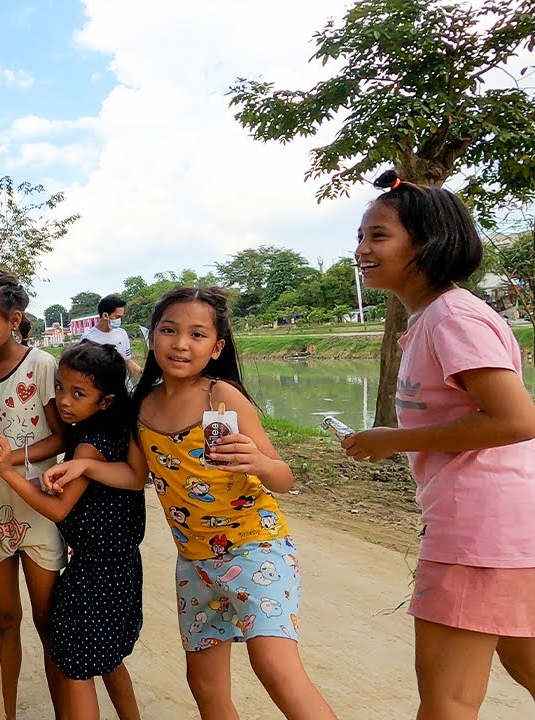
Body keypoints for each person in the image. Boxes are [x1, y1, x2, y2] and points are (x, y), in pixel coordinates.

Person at [343, 170, 535, 718]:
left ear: (429, 242)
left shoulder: (453, 316)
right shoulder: (433, 317)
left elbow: (518, 419)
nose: (362, 249)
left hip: (479, 530)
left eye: (378, 235)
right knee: (525, 665)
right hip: (501, 530)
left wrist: (392, 440)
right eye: (360, 236)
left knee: (448, 700)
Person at [134, 287, 336, 720]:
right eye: (169, 330)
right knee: (205, 686)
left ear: (217, 347)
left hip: (256, 549)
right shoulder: (143, 405)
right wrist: (81, 468)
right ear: (152, 337)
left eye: (197, 335)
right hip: (194, 563)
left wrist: (259, 461)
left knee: (276, 669)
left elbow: (283, 478)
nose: (181, 344)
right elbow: (133, 475)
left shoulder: (220, 396)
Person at [0, 342, 147, 720]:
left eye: (78, 393)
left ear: (105, 401)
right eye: (59, 388)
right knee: (108, 659)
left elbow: (58, 508)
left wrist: (8, 472)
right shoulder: (110, 429)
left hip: (92, 576)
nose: (63, 401)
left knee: (74, 667)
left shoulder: (88, 447)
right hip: (122, 568)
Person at [0, 267, 66, 719]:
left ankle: (67, 710)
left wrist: (10, 459)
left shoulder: (41, 366)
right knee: (4, 620)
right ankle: (6, 710)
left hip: (37, 504)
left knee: (47, 622)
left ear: (15, 319)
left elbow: (60, 437)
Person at [80, 294, 143, 378]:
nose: (120, 320)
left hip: (123, 387)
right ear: (105, 315)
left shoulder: (122, 333)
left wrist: (142, 372)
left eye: (121, 317)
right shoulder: (88, 338)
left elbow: (127, 361)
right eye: (117, 317)